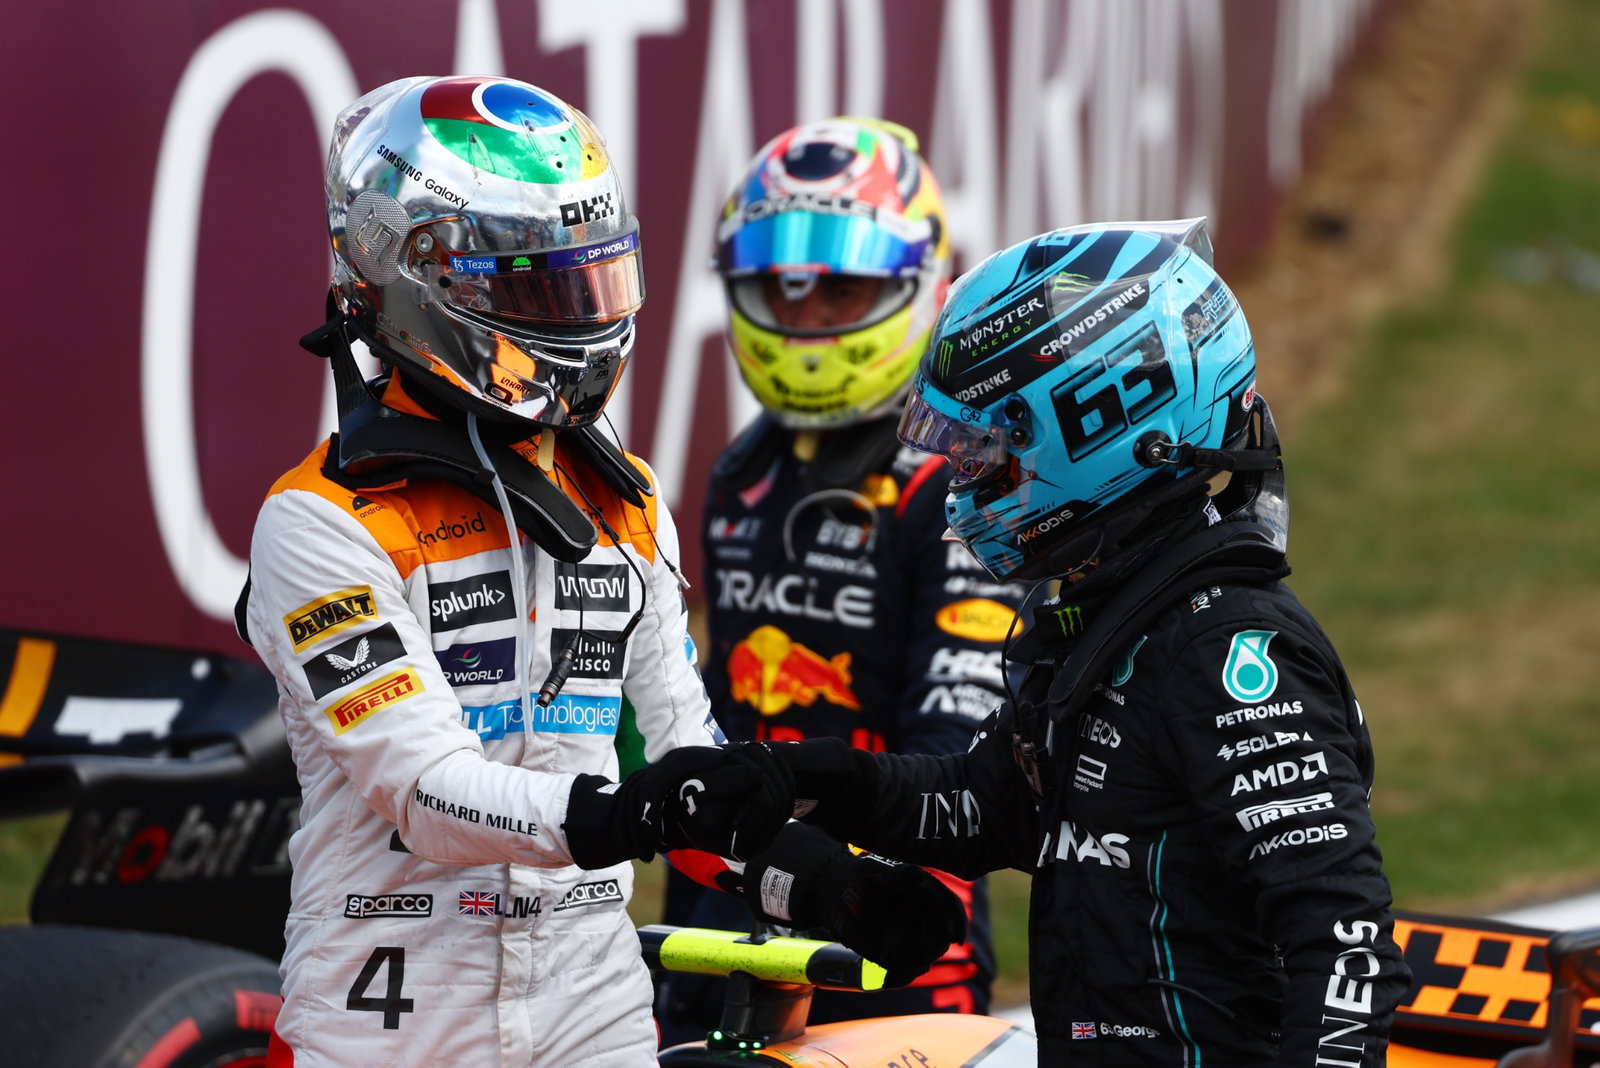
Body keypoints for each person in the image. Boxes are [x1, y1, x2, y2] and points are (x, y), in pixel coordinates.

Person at [743, 219, 1413, 1065]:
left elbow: (1345, 938)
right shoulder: (1111, 617)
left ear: (1098, 425)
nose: (961, 487)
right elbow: (981, 808)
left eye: (984, 453)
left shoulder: (1227, 650)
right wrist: (805, 777)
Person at [237, 75, 800, 1067]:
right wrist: (632, 811)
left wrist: (814, 872)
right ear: (406, 271)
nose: (574, 318)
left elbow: (689, 751)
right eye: (537, 288)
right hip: (388, 1020)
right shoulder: (316, 522)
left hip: (595, 1010)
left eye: (588, 283)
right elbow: (422, 789)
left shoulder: (623, 500)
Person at [656, 117, 1019, 1040]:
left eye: (841, 292)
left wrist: (862, 881)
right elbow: (710, 712)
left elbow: (958, 730)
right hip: (733, 897)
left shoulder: (957, 477)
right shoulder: (741, 469)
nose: (808, 321)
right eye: (784, 291)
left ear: (920, 287)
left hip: (893, 910)